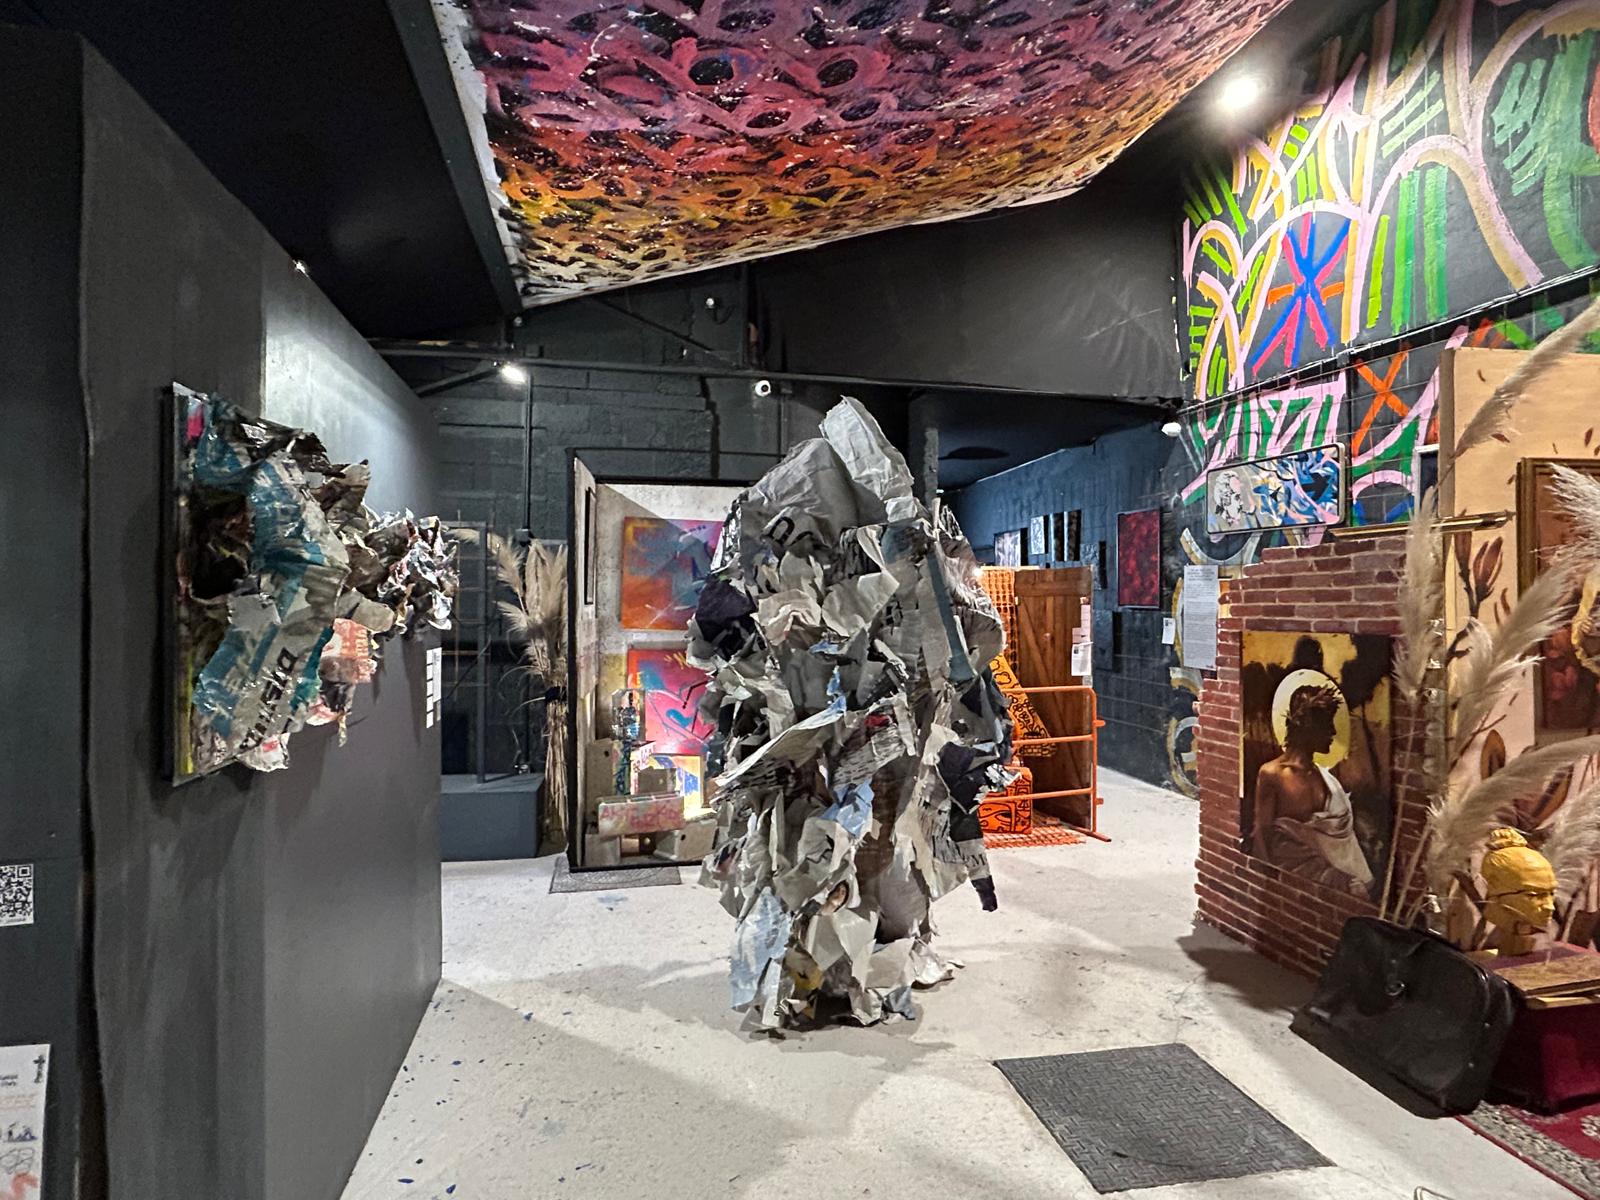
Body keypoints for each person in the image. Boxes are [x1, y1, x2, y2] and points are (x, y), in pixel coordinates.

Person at [1251, 683, 1374, 895]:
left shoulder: (1326, 779)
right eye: (1327, 724)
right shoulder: (1272, 774)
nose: (1333, 732)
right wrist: (1265, 887)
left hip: (1334, 889)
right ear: (1309, 726)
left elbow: (1340, 842)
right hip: (1291, 886)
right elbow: (1262, 833)